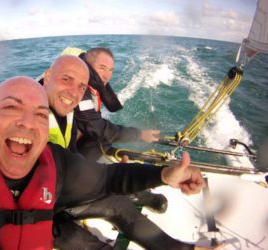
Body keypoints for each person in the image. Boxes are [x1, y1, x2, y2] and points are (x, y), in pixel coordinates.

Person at [0, 76, 206, 249]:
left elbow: (107, 178)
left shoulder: (54, 162)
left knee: (117, 206)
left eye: (39, 115)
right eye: (11, 108)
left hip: (52, 209)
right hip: (54, 222)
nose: (27, 122)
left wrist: (164, 174)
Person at [41, 56, 201, 249]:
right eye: (66, 79)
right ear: (48, 76)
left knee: (118, 204)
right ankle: (133, 194)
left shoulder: (68, 112)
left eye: (81, 87)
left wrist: (164, 174)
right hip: (41, 214)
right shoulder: (32, 126)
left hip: (64, 191)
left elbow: (77, 163)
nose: (74, 93)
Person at [61, 47, 161, 162]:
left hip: (76, 134)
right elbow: (94, 127)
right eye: (102, 68)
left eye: (111, 70)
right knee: (105, 137)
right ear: (87, 65)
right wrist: (139, 134)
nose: (107, 76)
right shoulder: (78, 88)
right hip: (64, 151)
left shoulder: (93, 83)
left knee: (107, 137)